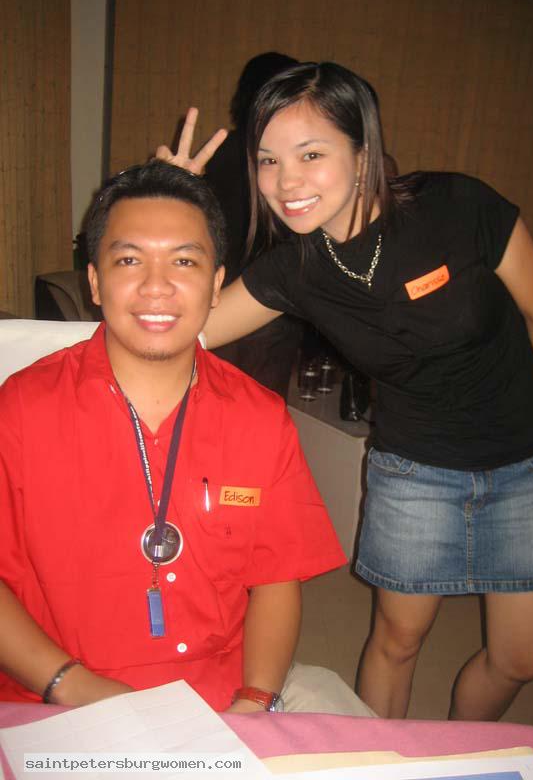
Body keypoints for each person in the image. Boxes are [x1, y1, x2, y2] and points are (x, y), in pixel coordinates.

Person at [157, 61, 533, 721]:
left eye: (311, 154)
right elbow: (184, 330)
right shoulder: (295, 267)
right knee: (398, 640)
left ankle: (458, 751)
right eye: (269, 160)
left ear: (362, 151)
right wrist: (172, 208)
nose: (286, 182)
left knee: (521, 659)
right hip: (416, 468)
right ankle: (384, 757)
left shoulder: (457, 206)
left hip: (526, 459)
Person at [0, 160, 373, 716]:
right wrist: (74, 687)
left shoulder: (259, 418)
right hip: (57, 698)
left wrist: (255, 701)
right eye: (130, 260)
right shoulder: (21, 409)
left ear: (217, 284)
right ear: (95, 282)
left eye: (183, 261)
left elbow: (275, 581)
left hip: (223, 695)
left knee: (374, 742)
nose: (157, 286)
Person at [202, 52, 303, 397]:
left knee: (212, 403)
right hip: (269, 302)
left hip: (219, 292)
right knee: (260, 407)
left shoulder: (223, 150)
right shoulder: (279, 155)